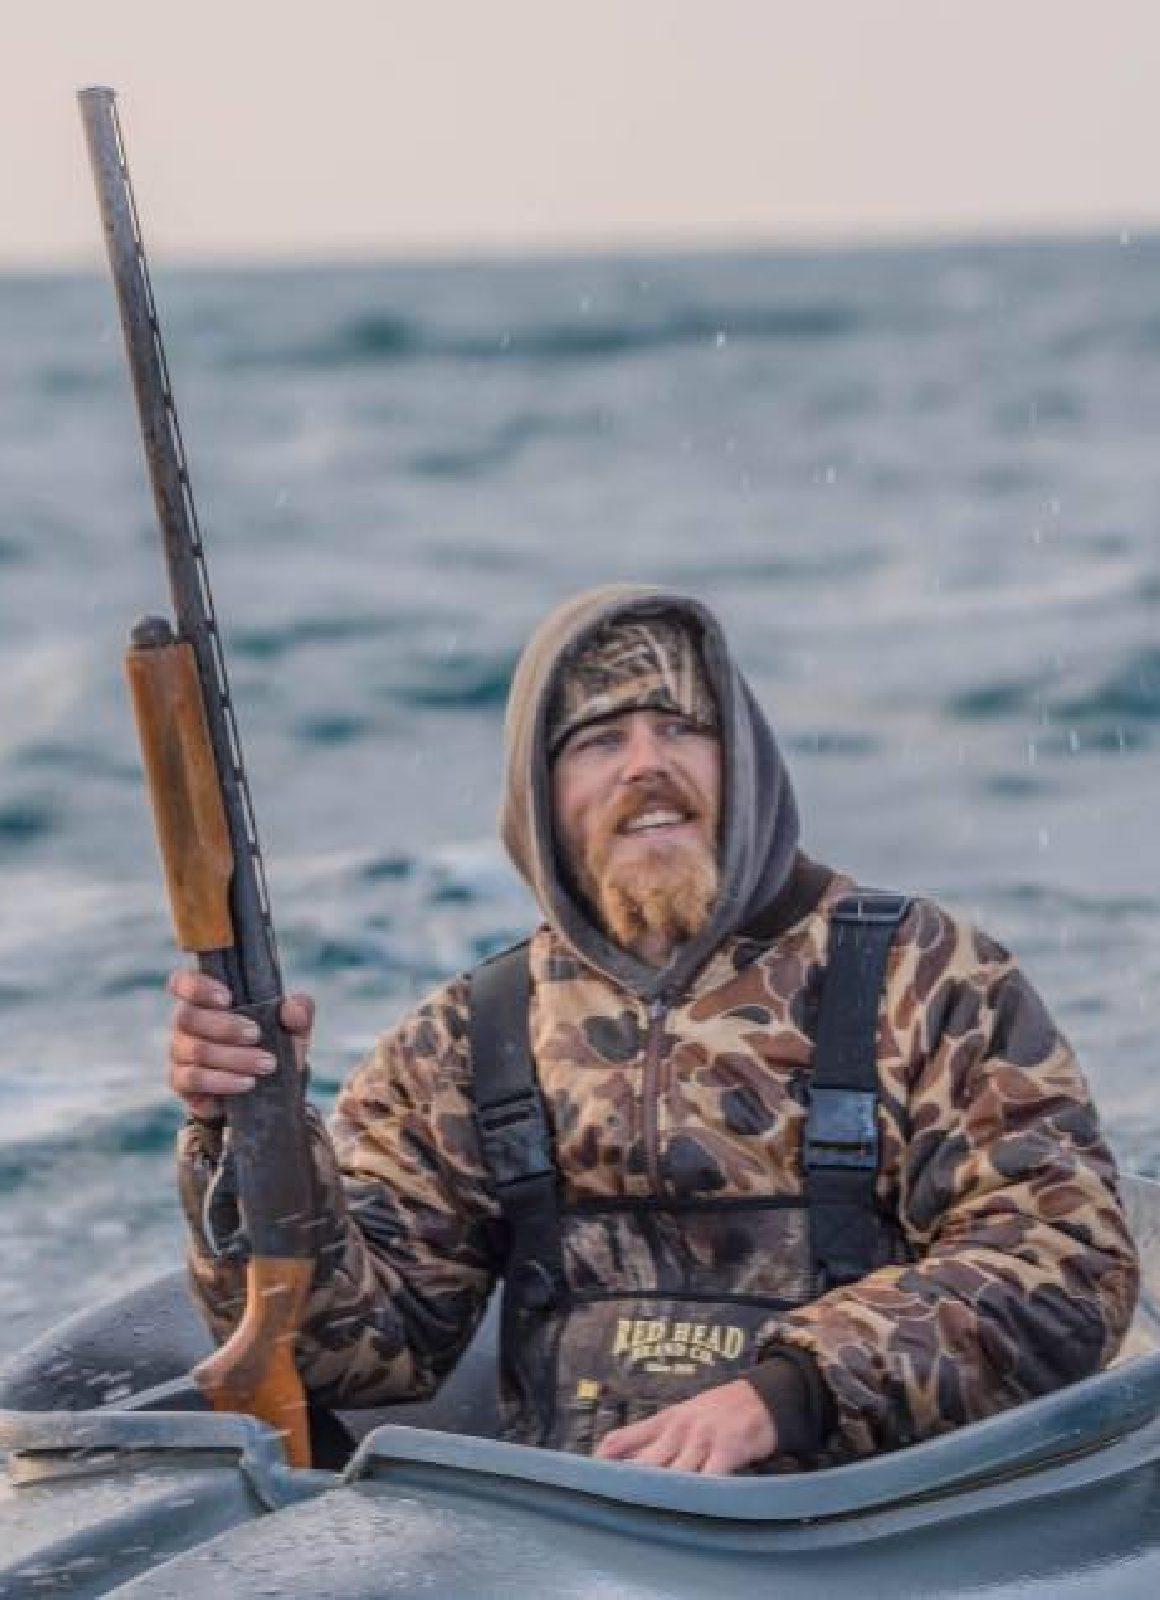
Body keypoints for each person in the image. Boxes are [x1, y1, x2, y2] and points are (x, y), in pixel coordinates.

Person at [168, 584, 1139, 1475]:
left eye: (682, 726)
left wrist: (783, 1395)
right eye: (597, 740)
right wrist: (246, 1135)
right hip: (564, 1538)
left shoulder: (924, 974)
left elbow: (1060, 1262)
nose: (646, 763)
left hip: (858, 1530)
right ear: (541, 799)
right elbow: (351, 1352)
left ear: (744, 762)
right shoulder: (468, 1036)